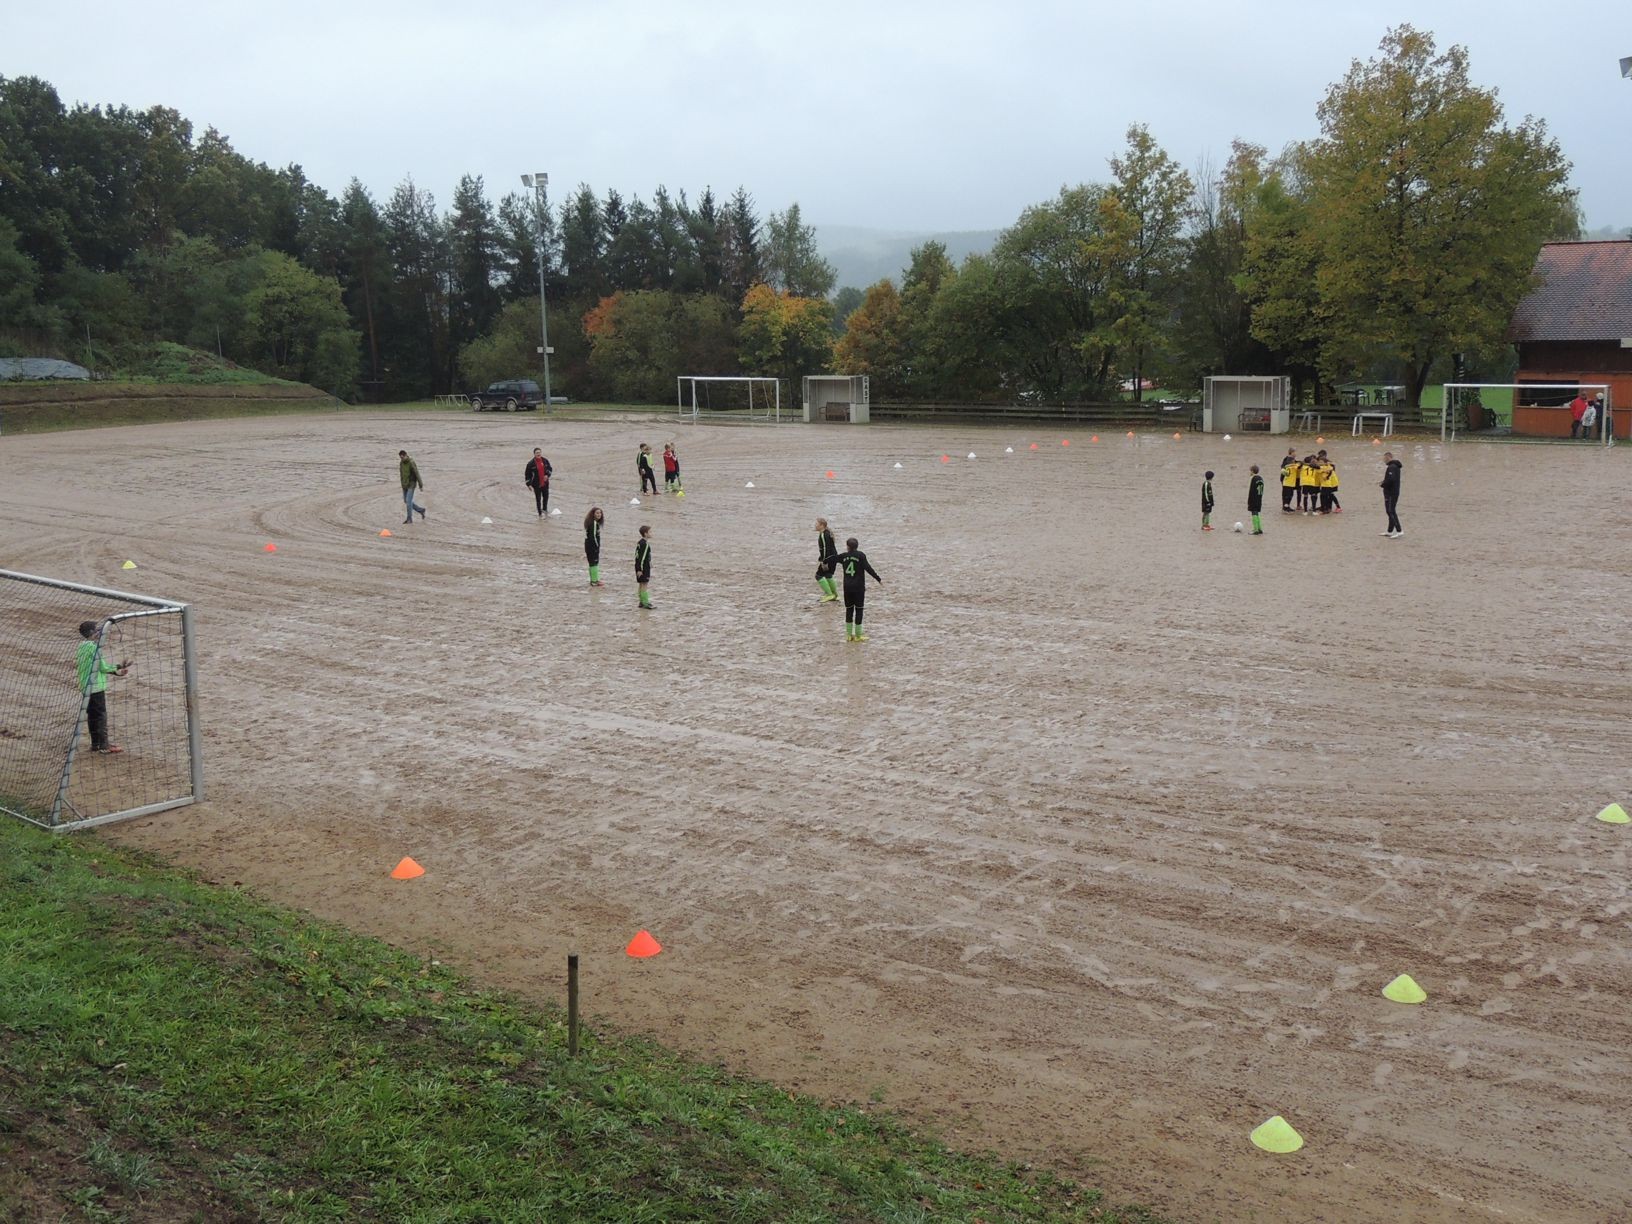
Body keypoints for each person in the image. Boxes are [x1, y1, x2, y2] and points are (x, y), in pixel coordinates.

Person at [76, 620, 128, 754]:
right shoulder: (94, 648)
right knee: (101, 716)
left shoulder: (81, 647)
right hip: (96, 687)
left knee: (92, 715)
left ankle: (95, 744)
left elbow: (96, 667)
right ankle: (105, 745)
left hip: (85, 687)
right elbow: (103, 668)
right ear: (92, 633)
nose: (100, 633)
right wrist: (117, 667)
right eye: (97, 630)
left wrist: (116, 672)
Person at [831, 536, 883, 641]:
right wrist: (878, 579)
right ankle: (858, 636)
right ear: (857, 546)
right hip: (859, 588)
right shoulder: (861, 556)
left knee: (849, 610)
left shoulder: (843, 556)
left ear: (847, 546)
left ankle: (849, 635)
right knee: (859, 610)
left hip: (847, 588)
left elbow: (832, 558)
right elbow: (868, 568)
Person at [814, 517, 839, 601]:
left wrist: (824, 561)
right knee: (828, 575)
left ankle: (829, 594)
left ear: (822, 525)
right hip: (834, 558)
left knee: (818, 575)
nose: (815, 526)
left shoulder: (823, 535)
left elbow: (825, 549)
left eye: (816, 524)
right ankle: (835, 594)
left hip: (828, 559)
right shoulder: (827, 533)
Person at [524, 447, 553, 517]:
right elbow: (527, 475)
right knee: (538, 499)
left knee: (546, 497)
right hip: (536, 484)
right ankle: (540, 514)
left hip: (545, 483)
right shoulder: (530, 464)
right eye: (537, 453)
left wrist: (547, 475)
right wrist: (529, 485)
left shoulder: (545, 461)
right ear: (534, 454)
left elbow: (550, 469)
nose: (538, 454)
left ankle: (545, 510)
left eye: (539, 452)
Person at [1380, 451, 1403, 538]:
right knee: (1389, 511)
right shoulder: (1393, 466)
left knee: (1391, 511)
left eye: (1384, 458)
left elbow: (1391, 480)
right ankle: (1390, 531)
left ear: (1388, 457)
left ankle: (1399, 530)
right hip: (1392, 492)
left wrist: (1383, 484)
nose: (1383, 460)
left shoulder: (1392, 467)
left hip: (1391, 493)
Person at [398, 450, 426, 523]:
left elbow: (417, 473)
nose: (402, 459)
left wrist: (420, 485)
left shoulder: (411, 462)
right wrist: (402, 484)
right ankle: (421, 510)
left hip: (411, 484)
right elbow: (401, 474)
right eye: (400, 458)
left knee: (408, 501)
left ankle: (409, 519)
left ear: (406, 455)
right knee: (406, 501)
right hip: (405, 485)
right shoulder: (401, 463)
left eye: (403, 457)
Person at [584, 506, 604, 586]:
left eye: (600, 513)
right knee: (594, 562)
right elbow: (593, 536)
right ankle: (595, 581)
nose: (599, 515)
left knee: (592, 563)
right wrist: (596, 546)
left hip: (588, 544)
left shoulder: (591, 522)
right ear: (593, 514)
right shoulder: (594, 523)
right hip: (592, 546)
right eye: (597, 513)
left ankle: (593, 580)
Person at [635, 524, 654, 609]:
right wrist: (640, 569)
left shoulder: (640, 542)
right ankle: (645, 602)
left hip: (640, 566)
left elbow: (639, 556)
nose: (651, 533)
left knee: (641, 584)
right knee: (644, 584)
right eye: (650, 532)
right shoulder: (645, 544)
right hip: (643, 568)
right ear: (645, 534)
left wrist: (649, 561)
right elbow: (642, 558)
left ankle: (641, 602)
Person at [1246, 465, 1264, 535]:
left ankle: (1255, 529)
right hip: (1259, 498)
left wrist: (1249, 501)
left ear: (1252, 471)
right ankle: (1260, 528)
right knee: (1257, 513)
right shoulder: (1261, 478)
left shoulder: (1254, 479)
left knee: (1254, 513)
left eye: (1250, 471)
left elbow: (1252, 491)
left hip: (1254, 499)